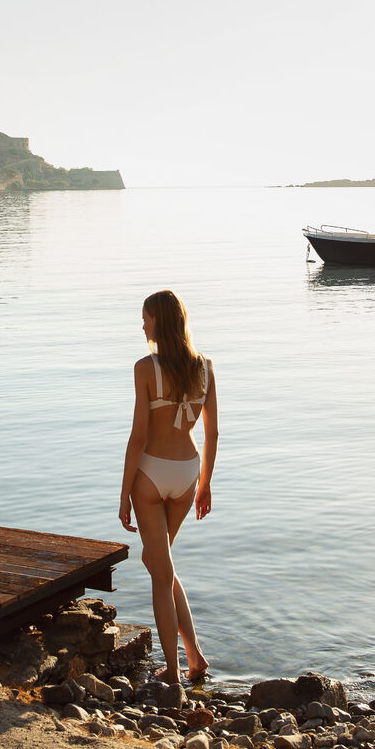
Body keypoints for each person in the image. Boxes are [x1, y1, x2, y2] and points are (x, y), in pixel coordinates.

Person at [118, 289, 219, 685]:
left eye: (145, 317)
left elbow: (138, 437)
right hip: (188, 473)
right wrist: (206, 484)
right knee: (160, 563)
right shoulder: (206, 368)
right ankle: (195, 656)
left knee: (160, 573)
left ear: (159, 321)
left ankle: (174, 675)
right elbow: (213, 434)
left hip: (152, 474)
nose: (142, 325)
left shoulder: (145, 368)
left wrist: (125, 492)